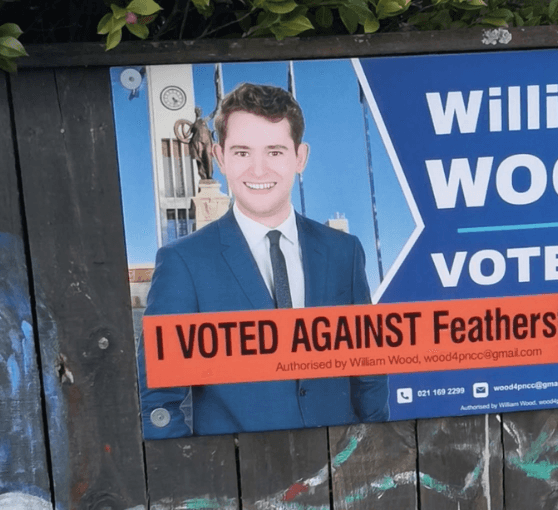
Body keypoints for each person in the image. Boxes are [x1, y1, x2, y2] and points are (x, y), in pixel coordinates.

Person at [138, 83, 389, 439]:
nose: (258, 170)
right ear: (220, 157)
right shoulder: (184, 262)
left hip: (341, 477)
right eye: (242, 153)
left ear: (300, 157)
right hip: (236, 480)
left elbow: (369, 374)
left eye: (274, 152)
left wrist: (374, 454)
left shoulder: (343, 252)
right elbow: (159, 400)